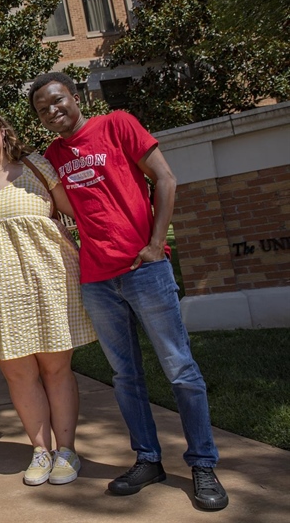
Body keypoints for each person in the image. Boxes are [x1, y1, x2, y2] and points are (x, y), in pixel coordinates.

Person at [30, 72, 229, 510]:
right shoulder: (52, 155)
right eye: (43, 109)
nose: (53, 111)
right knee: (125, 376)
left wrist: (157, 245)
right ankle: (148, 459)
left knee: (180, 369)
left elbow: (166, 179)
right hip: (97, 280)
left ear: (76, 96)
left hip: (144, 270)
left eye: (58, 101)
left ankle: (202, 463)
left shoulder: (117, 123)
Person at [0, 106, 96, 486]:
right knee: (18, 375)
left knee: (54, 369)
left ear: (2, 131)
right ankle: (40, 450)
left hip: (46, 283)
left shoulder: (36, 167)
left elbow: (75, 213)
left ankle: (66, 450)